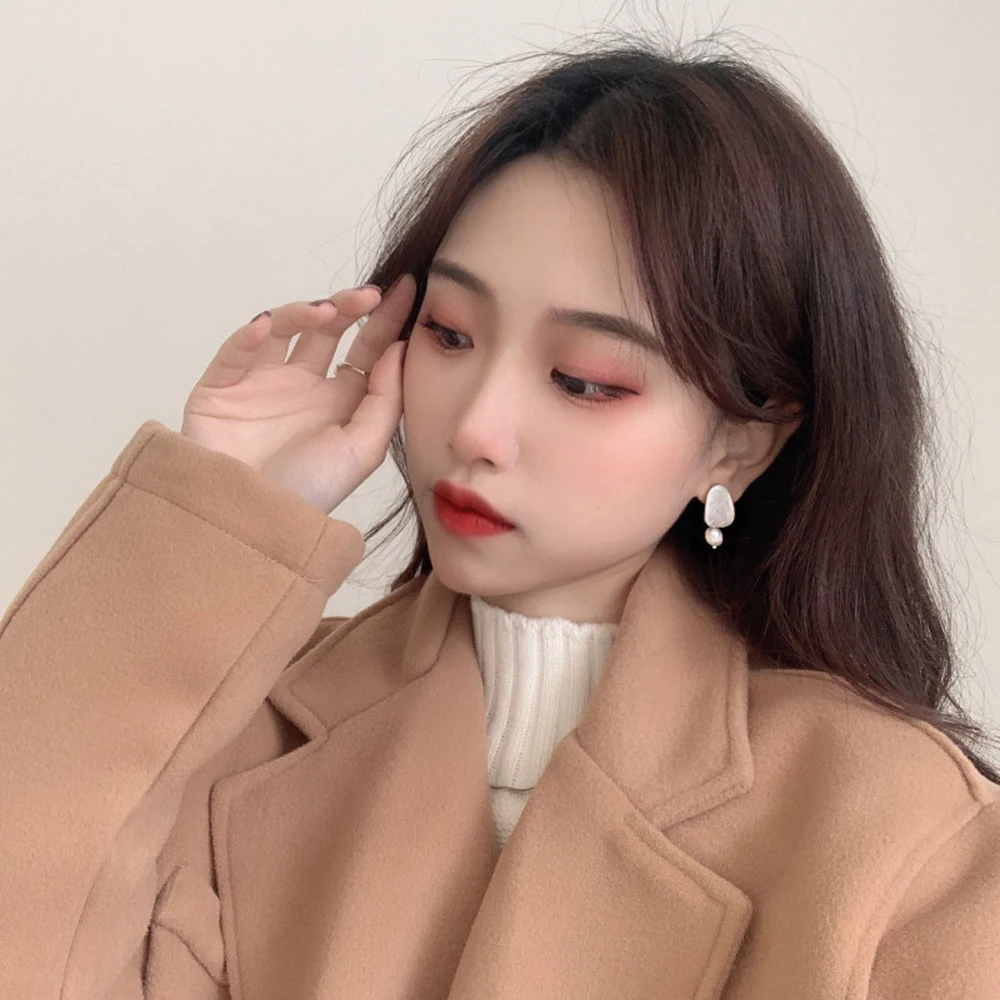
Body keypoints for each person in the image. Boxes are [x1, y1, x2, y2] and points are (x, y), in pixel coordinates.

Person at [2, 35, 999, 1000]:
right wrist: (217, 507)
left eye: (584, 379)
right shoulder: (229, 743)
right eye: (448, 333)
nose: (476, 426)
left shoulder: (900, 841)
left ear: (739, 442)